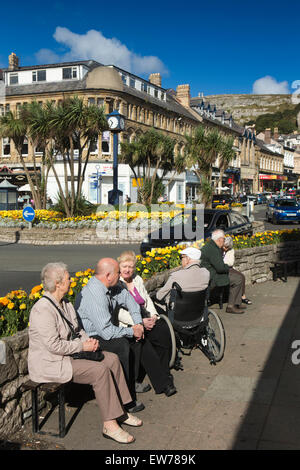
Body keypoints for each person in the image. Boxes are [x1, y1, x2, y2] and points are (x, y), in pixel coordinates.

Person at [28, 262, 142, 444]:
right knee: (99, 371)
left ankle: (120, 410)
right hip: (51, 364)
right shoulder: (42, 309)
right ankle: (109, 424)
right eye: (68, 278)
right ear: (57, 283)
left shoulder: (65, 303)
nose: (71, 280)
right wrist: (82, 347)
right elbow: (53, 346)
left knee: (112, 359)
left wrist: (88, 340)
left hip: (68, 356)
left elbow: (78, 330)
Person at [75, 258, 145, 413]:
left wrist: (138, 325)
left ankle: (130, 385)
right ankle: (125, 400)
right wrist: (132, 330)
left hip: (104, 331)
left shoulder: (111, 286)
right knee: (121, 345)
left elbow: (130, 301)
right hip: (91, 337)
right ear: (108, 275)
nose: (120, 275)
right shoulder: (95, 294)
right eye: (118, 273)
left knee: (137, 340)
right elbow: (106, 333)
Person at [117, 250, 176, 397]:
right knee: (143, 343)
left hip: (145, 316)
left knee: (163, 333)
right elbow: (118, 312)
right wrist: (140, 322)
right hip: (130, 323)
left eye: (130, 266)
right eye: (124, 266)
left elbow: (147, 300)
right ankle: (164, 383)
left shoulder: (136, 279)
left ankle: (165, 372)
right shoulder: (117, 284)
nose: (127, 269)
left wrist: (154, 316)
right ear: (119, 266)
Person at [200, 229, 245, 314]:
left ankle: (237, 302)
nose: (224, 241)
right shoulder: (213, 249)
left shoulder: (211, 246)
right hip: (212, 276)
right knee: (238, 279)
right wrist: (227, 267)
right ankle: (231, 306)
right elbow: (220, 268)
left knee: (239, 276)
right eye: (224, 239)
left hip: (210, 273)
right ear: (220, 239)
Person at [223, 236, 252, 305]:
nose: (225, 248)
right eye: (224, 246)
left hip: (229, 268)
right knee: (238, 277)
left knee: (242, 276)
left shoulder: (230, 250)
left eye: (227, 247)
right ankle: (238, 298)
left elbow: (230, 263)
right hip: (223, 268)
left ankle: (243, 296)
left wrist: (223, 261)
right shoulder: (219, 249)